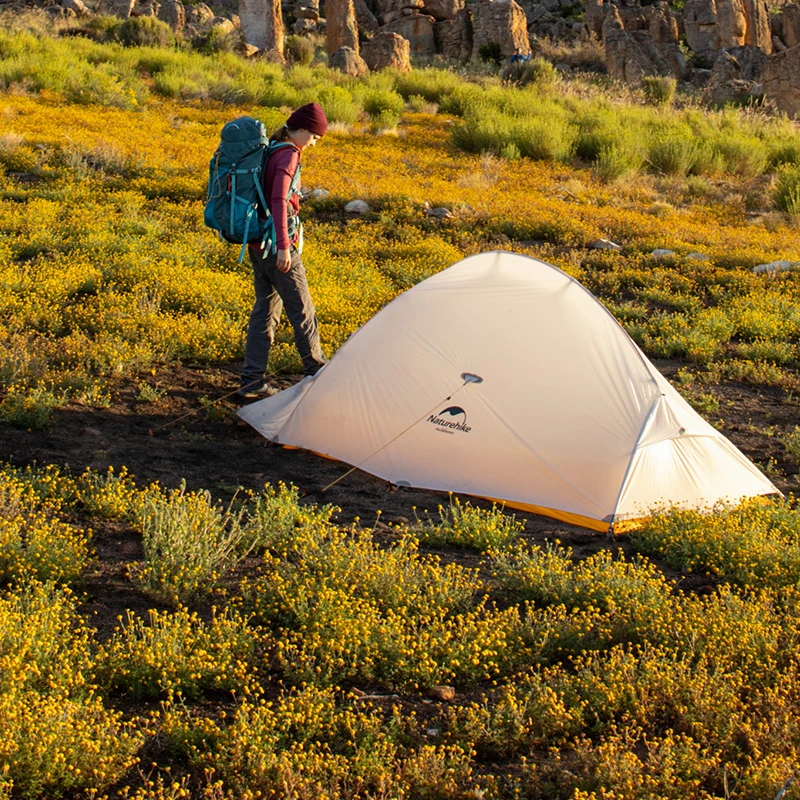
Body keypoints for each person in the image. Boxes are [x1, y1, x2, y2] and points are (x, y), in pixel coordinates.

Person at [238, 102, 329, 399]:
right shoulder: (289, 154)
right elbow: (278, 199)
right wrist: (283, 247)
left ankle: (252, 382)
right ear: (301, 129)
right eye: (314, 137)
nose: (314, 143)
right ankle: (316, 374)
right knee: (302, 308)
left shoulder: (272, 149)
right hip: (276, 245)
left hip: (257, 243)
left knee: (265, 311)